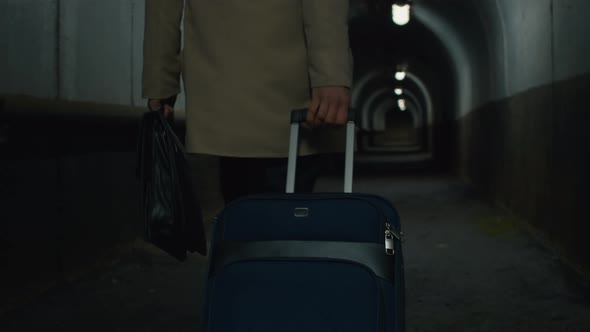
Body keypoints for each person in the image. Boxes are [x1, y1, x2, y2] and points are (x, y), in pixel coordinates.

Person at [142, 0, 353, 206]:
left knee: (244, 203)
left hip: (222, 72)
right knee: (282, 212)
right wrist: (330, 73)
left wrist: (160, 80)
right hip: (286, 72)